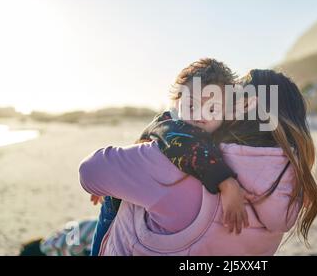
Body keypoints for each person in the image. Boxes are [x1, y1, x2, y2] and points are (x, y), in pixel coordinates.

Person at [79, 69, 317, 255]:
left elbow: (89, 172)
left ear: (245, 104)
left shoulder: (182, 160)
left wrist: (167, 126)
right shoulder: (292, 186)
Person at [88, 58, 252, 256]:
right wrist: (227, 182)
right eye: (191, 105)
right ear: (177, 103)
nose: (201, 114)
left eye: (212, 108)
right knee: (103, 246)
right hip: (118, 202)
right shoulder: (171, 125)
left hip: (146, 203)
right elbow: (185, 143)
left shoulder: (211, 131)